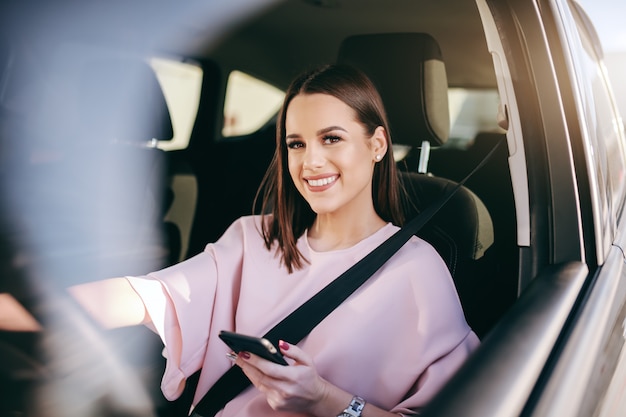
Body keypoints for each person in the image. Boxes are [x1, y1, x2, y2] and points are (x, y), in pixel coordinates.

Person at [2, 64, 479, 416]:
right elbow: (142, 297)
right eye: (296, 143)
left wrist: (323, 398)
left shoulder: (418, 269)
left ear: (377, 145)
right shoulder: (255, 238)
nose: (310, 162)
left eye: (331, 138)